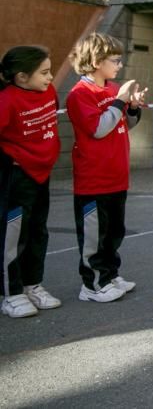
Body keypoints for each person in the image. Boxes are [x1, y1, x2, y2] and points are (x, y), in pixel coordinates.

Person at [66, 33, 145, 303]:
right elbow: (99, 129)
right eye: (115, 60)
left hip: (117, 177)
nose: (119, 65)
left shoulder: (113, 89)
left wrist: (131, 108)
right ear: (97, 61)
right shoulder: (80, 94)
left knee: (114, 233)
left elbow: (122, 125)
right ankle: (92, 285)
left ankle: (110, 275)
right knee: (94, 238)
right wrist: (121, 101)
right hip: (93, 181)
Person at [0, 46, 62, 318]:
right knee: (13, 236)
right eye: (45, 72)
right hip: (17, 177)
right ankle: (10, 293)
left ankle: (31, 284)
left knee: (38, 231)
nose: (50, 77)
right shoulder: (7, 100)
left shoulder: (48, 92)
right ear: (22, 77)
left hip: (42, 175)